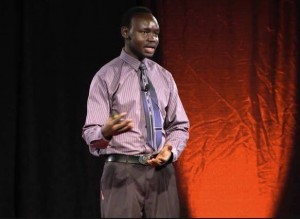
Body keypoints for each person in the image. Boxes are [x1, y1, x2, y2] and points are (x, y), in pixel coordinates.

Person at [82, 6, 190, 218]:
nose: (153, 39)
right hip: (122, 172)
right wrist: (104, 132)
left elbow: (179, 126)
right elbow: (90, 133)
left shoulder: (164, 77)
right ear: (126, 33)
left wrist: (171, 150)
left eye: (156, 33)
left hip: (161, 173)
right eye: (145, 32)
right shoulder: (106, 76)